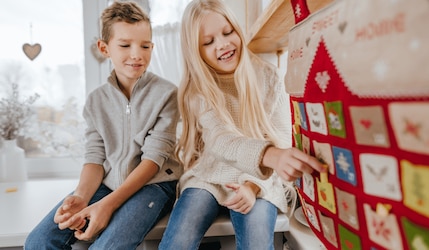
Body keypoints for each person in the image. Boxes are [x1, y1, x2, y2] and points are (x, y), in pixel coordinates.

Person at [158, 0, 326, 249]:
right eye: (209, 41)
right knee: (178, 241)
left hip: (259, 179)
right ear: (196, 51)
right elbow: (220, 140)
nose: (223, 44)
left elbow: (281, 137)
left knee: (256, 240)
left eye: (228, 33)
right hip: (209, 177)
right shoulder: (197, 91)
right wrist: (272, 155)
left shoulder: (269, 77)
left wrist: (253, 186)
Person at [24, 2, 182, 249]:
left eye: (145, 45)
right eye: (125, 45)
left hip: (155, 185)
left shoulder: (167, 94)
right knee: (38, 242)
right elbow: (94, 158)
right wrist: (81, 197)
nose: (137, 54)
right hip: (107, 184)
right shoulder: (96, 101)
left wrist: (107, 205)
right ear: (104, 47)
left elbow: (154, 159)